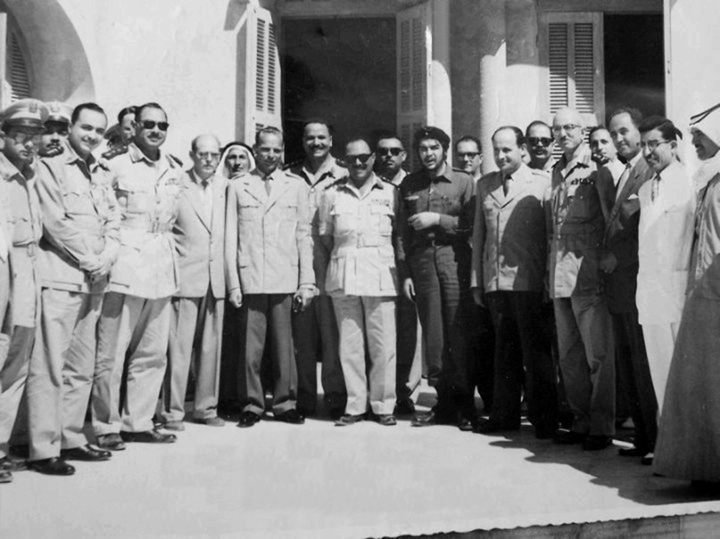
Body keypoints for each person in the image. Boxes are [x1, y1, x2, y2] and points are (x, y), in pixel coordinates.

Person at [27, 103, 119, 475]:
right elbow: (55, 222)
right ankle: (42, 447)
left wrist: (109, 255)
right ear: (71, 128)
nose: (92, 136)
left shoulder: (102, 172)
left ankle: (71, 436)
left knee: (81, 365)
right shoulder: (50, 167)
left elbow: (114, 218)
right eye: (86, 128)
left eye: (99, 130)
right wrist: (91, 258)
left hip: (95, 280)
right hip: (63, 276)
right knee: (50, 364)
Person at [91, 102, 183, 448]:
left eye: (162, 125)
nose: (156, 130)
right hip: (125, 266)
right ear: (135, 126)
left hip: (160, 264)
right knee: (112, 352)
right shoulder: (114, 165)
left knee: (153, 351)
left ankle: (138, 420)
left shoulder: (173, 168)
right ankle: (106, 424)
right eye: (149, 124)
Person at [226, 126, 314, 427]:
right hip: (250, 276)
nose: (271, 155)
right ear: (255, 149)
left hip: (284, 276)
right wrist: (233, 283)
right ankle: (251, 404)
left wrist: (306, 282)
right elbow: (231, 238)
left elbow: (304, 236)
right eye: (265, 149)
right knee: (251, 348)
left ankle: (285, 402)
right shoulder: (238, 186)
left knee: (284, 347)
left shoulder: (296, 186)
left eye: (277, 150)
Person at [471, 126, 557, 438]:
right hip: (496, 283)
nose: (501, 156)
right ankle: (503, 415)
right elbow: (479, 237)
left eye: (507, 149)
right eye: (497, 150)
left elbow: (550, 236)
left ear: (522, 149)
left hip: (530, 281)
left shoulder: (542, 183)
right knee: (503, 354)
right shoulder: (485, 184)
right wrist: (477, 283)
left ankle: (544, 419)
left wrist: (549, 277)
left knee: (535, 354)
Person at [654, 105, 720, 489]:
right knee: (700, 384)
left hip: (715, 293)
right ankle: (704, 465)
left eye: (700, 136)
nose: (693, 142)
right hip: (702, 295)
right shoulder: (708, 179)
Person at [318, 138, 401, 426]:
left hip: (381, 276)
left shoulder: (390, 193)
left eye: (364, 157)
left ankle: (383, 406)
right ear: (344, 160)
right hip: (345, 277)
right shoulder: (331, 194)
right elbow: (326, 238)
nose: (358, 163)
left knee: (383, 344)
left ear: (373, 158)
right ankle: (355, 406)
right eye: (351, 158)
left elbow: (398, 235)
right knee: (350, 345)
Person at [399, 126, 476, 430]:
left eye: (434, 148)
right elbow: (402, 234)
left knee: (459, 331)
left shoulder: (464, 182)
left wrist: (438, 219)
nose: (428, 154)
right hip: (422, 264)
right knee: (434, 335)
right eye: (423, 148)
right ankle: (443, 403)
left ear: (445, 150)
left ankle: (466, 405)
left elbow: (472, 226)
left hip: (453, 259)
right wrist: (405, 274)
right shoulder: (409, 183)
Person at [548, 107, 615, 451]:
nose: (563, 134)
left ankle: (601, 426)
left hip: (587, 273)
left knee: (597, 354)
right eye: (557, 129)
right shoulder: (555, 170)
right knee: (569, 354)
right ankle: (581, 420)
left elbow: (609, 221)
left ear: (583, 130)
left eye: (570, 127)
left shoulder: (597, 168)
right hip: (559, 274)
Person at [596, 108, 656, 463]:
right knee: (629, 364)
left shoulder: (648, 171)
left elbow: (647, 230)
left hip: (636, 282)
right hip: (620, 287)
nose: (619, 139)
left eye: (623, 132)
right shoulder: (625, 172)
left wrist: (620, 259)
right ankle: (643, 437)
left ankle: (656, 437)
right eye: (613, 134)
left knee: (643, 364)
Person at [636, 117, 694, 459]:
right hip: (651, 293)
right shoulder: (646, 189)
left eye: (655, 143)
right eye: (645, 145)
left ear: (673, 144)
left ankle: (687, 449)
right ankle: (668, 446)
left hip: (679, 290)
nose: (648, 151)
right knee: (660, 371)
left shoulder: (689, 182)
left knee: (682, 373)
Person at [160, 135, 227, 431]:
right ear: (192, 155)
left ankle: (205, 407)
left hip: (216, 279)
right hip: (185, 278)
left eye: (214, 154)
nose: (209, 159)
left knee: (211, 349)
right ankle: (172, 412)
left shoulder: (226, 187)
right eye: (203, 154)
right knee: (179, 349)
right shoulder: (177, 184)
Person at [0, 99, 47, 482]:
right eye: (21, 137)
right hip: (3, 269)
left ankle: (1, 447)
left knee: (17, 363)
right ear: (4, 137)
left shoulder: (32, 174)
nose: (29, 144)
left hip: (29, 269)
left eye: (35, 138)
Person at [287, 120, 346, 419]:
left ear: (331, 140)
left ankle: (335, 396)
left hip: (329, 260)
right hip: (296, 261)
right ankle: (305, 398)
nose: (316, 143)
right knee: (302, 336)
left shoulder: (346, 174)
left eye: (321, 137)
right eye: (310, 138)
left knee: (332, 333)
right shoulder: (289, 174)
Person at [376, 135, 422, 415]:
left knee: (408, 331)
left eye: (395, 151)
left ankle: (407, 392)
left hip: (408, 265)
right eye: (383, 151)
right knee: (381, 332)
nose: (388, 156)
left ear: (404, 155)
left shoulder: (414, 184)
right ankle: (382, 391)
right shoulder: (370, 184)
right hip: (378, 264)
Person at [217, 141, 255, 410]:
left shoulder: (251, 188)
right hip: (217, 271)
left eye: (243, 157)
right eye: (232, 157)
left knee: (246, 339)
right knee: (222, 339)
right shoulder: (218, 188)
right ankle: (224, 395)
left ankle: (244, 394)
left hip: (243, 271)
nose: (238, 162)